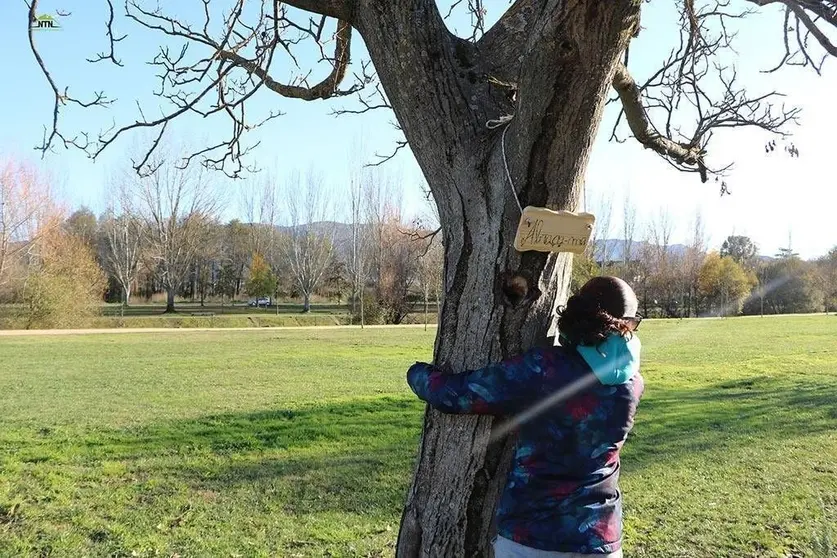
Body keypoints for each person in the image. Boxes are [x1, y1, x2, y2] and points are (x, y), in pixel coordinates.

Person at [406, 276, 644, 558]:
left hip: (533, 538)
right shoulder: (633, 384)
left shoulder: (545, 369)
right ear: (626, 328)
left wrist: (416, 373)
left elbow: (455, 395)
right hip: (600, 540)